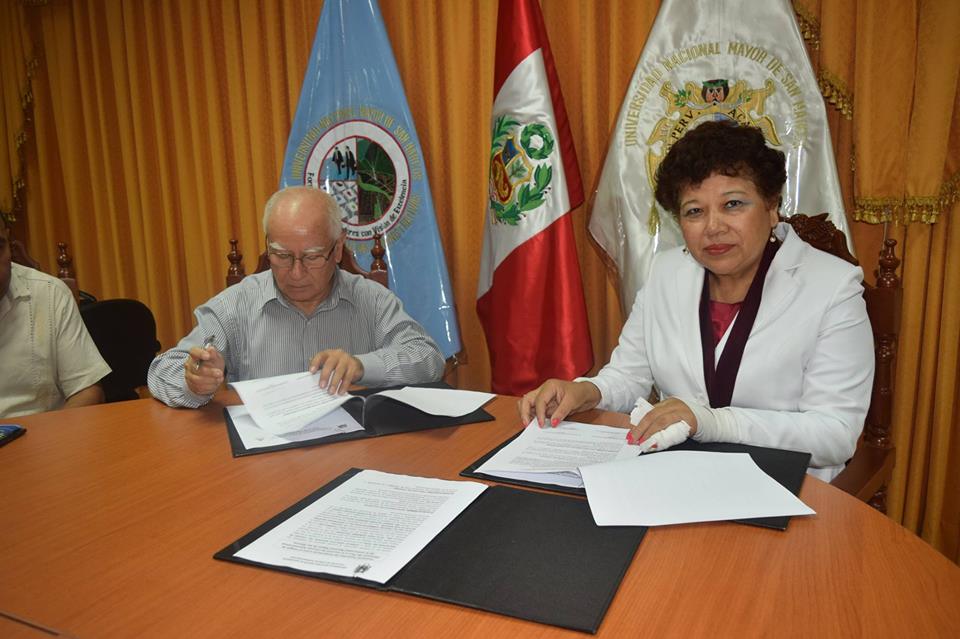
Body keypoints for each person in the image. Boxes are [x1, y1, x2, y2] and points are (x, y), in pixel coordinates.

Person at [519, 120, 874, 480]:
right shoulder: (666, 272)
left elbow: (835, 434)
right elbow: (629, 375)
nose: (713, 227)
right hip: (675, 475)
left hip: (784, 485)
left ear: (771, 207)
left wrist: (711, 422)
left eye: (733, 204)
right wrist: (585, 391)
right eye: (694, 211)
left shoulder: (833, 288)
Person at [147, 186, 445, 408]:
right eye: (282, 256)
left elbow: (428, 359)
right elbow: (161, 371)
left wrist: (362, 366)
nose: (296, 273)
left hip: (353, 451)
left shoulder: (372, 300)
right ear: (268, 246)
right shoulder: (235, 306)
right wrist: (193, 381)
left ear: (337, 249)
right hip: (265, 459)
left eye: (312, 257)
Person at [0, 225, 110, 417]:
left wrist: (54, 435)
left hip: (41, 430)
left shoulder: (49, 293)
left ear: (10, 245)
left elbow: (87, 391)